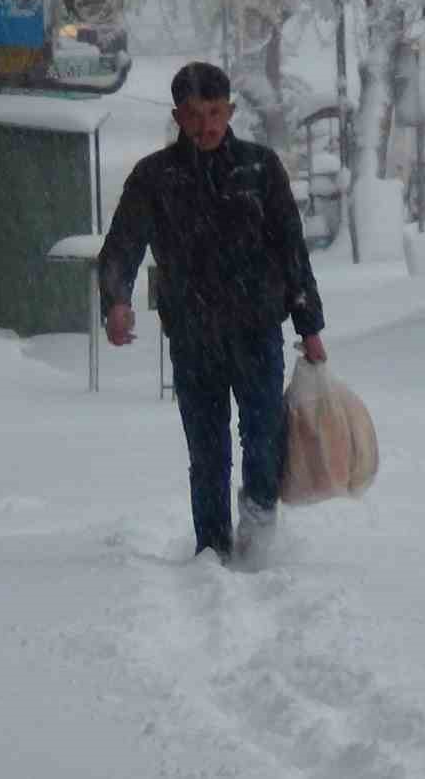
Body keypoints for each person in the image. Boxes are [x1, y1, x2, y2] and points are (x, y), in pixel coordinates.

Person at [98, 61, 326, 563]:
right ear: (178, 115)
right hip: (193, 334)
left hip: (257, 331)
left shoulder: (261, 168)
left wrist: (308, 326)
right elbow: (122, 244)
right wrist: (116, 300)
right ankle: (213, 549)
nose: (206, 126)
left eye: (216, 113)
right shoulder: (155, 178)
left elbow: (291, 249)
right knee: (207, 451)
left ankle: (260, 538)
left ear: (231, 111)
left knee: (264, 439)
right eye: (195, 115)